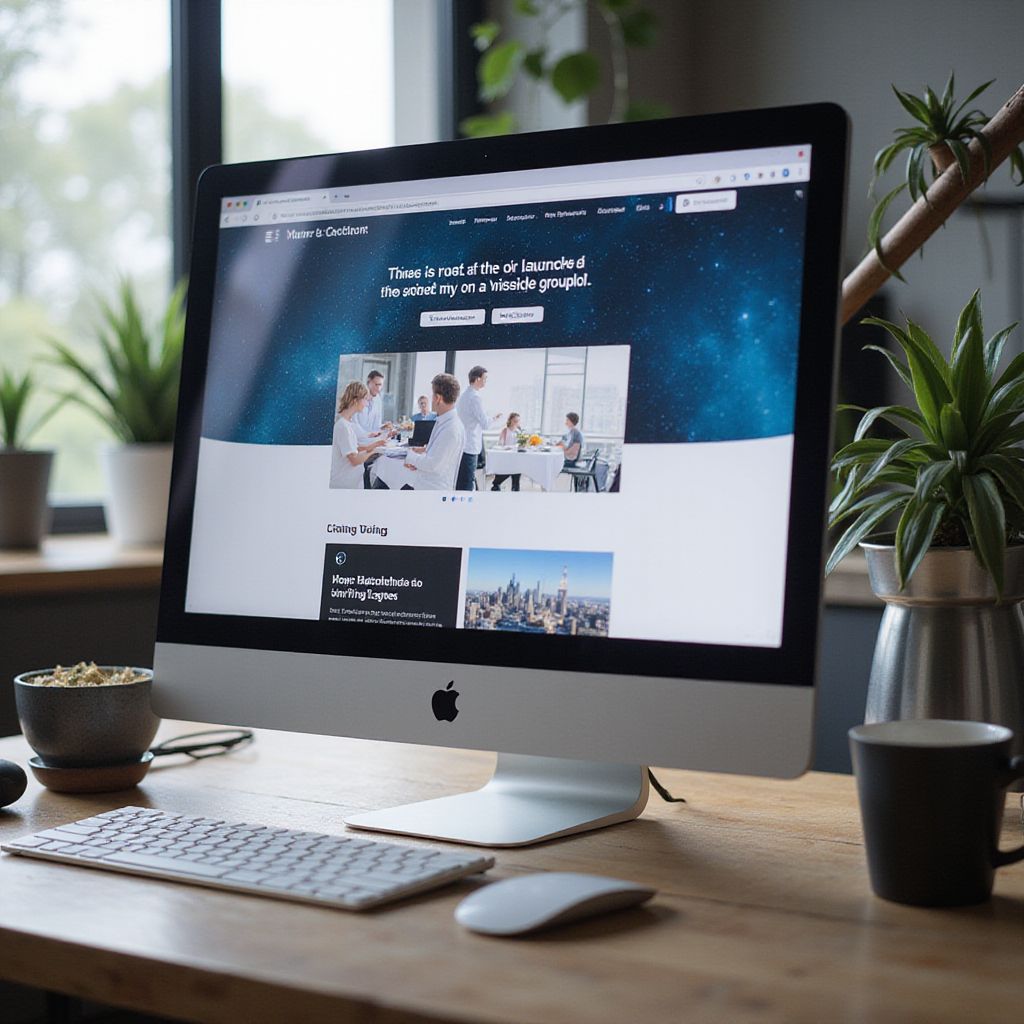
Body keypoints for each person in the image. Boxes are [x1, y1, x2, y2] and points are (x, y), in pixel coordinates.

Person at [400, 373, 466, 490]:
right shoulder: (444, 421)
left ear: (438, 398)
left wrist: (410, 455)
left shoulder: (452, 428)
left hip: (434, 492)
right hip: (427, 485)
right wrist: (418, 462)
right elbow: (437, 457)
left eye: (432, 395)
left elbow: (433, 465)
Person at [330, 381, 389, 488]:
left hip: (351, 481)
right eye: (365, 399)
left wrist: (374, 445)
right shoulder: (343, 426)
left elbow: (353, 447)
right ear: (355, 400)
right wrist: (374, 451)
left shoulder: (348, 423)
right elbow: (355, 460)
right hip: (344, 484)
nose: (367, 404)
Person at [456, 365, 502, 491]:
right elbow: (485, 424)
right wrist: (494, 418)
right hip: (470, 445)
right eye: (485, 378)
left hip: (462, 444)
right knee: (466, 483)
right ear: (477, 379)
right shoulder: (475, 398)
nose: (486, 381)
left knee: (464, 480)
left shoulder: (464, 395)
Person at [352, 370, 395, 445]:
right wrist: (369, 435)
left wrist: (384, 428)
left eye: (380, 385)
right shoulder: (358, 398)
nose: (378, 388)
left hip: (371, 441)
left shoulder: (378, 400)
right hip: (357, 442)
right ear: (369, 381)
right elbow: (354, 425)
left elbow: (376, 426)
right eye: (376, 384)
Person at [490, 412, 522, 492]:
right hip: (506, 456)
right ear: (510, 420)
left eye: (517, 421)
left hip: (515, 456)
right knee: (508, 470)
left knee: (517, 470)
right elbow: (501, 443)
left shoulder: (519, 432)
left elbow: (521, 444)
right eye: (514, 420)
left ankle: (515, 489)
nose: (516, 422)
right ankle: (496, 483)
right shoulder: (505, 431)